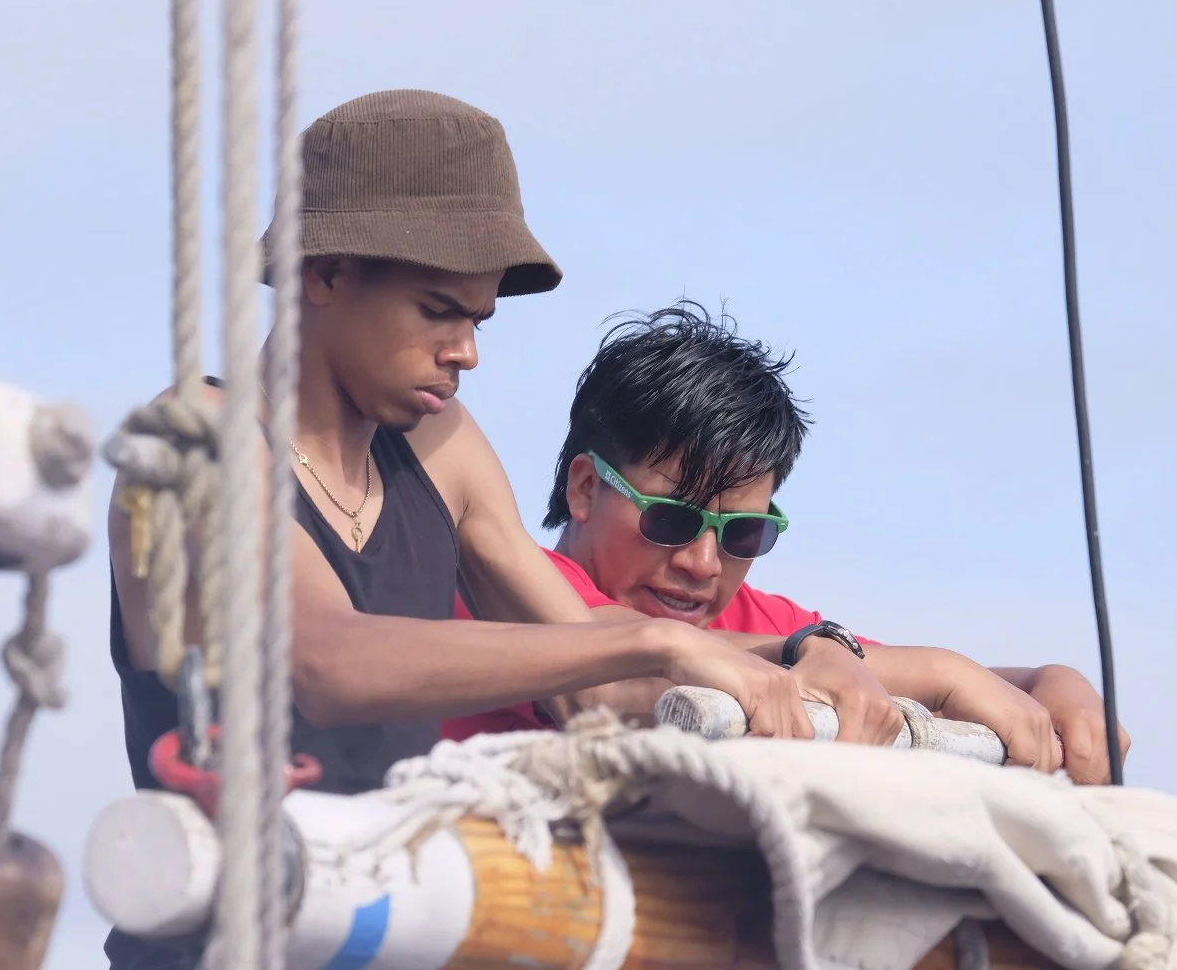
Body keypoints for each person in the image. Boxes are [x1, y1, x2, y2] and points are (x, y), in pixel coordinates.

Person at [105, 91, 842, 966]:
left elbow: (591, 682)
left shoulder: (441, 445)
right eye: (437, 310)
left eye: (478, 319)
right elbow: (328, 664)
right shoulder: (192, 438)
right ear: (327, 273)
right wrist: (658, 644)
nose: (468, 352)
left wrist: (830, 658)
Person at [445, 303, 1133, 784]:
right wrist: (933, 668)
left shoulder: (770, 627)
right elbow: (609, 656)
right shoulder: (495, 584)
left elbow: (905, 682)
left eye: (743, 533)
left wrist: (1051, 683)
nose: (701, 564)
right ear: (585, 488)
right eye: (671, 521)